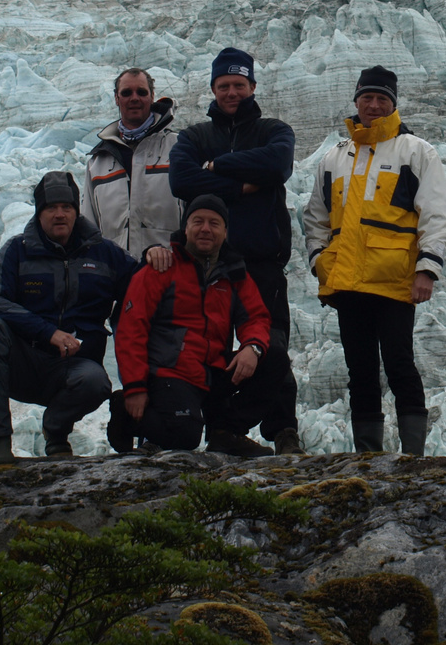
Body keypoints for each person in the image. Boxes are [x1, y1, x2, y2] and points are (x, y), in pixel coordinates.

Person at [302, 66, 446, 456]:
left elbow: (436, 214)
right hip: (348, 283)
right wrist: (321, 260)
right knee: (361, 371)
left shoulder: (416, 152)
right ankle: (367, 456)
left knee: (400, 364)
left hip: (394, 280)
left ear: (393, 104)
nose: (373, 105)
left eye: (382, 99)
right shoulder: (336, 157)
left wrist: (427, 269)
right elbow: (316, 217)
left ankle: (412, 456)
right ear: (356, 101)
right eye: (367, 97)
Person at [169, 47, 302, 457]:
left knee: (271, 347)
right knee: (202, 347)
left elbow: (278, 165)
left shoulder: (273, 130)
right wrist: (244, 182)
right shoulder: (193, 137)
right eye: (224, 85)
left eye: (239, 86)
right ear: (213, 88)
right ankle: (218, 428)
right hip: (206, 266)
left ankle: (283, 432)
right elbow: (181, 180)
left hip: (260, 261)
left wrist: (216, 169)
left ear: (252, 87)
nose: (232, 93)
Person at [0, 171, 142, 464]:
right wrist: (46, 332)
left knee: (95, 382)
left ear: (77, 211)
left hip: (75, 368)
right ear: (39, 213)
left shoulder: (105, 254)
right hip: (23, 362)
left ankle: (56, 430)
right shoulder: (17, 251)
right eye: (51, 208)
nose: (59, 214)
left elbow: (143, 288)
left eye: (67, 207)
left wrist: (157, 257)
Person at [115, 195, 271, 452]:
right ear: (185, 227)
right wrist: (134, 387)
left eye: (214, 223)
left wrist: (252, 348)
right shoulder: (163, 267)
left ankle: (224, 432)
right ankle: (125, 415)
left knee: (272, 360)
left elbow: (256, 317)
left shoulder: (233, 273)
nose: (206, 229)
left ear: (225, 231)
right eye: (198, 221)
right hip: (170, 372)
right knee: (185, 436)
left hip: (214, 370)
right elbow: (132, 328)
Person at [83, 68, 181, 262]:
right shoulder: (98, 162)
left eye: (142, 92)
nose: (134, 98)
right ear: (116, 99)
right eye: (126, 93)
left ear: (152, 97)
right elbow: (88, 228)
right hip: (115, 280)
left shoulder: (178, 149)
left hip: (169, 275)